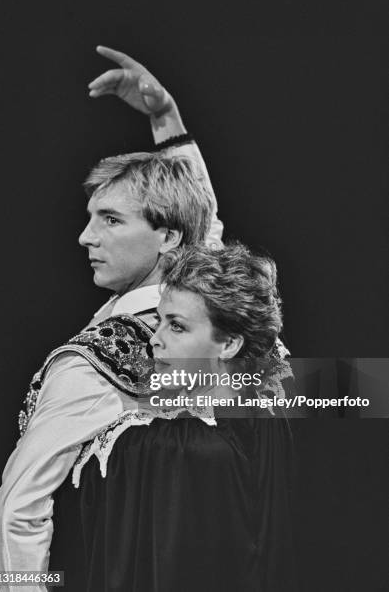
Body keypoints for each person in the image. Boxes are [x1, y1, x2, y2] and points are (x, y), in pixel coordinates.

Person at [0, 48, 223, 592]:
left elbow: (18, 511)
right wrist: (166, 118)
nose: (85, 238)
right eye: (91, 218)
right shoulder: (216, 306)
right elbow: (203, 223)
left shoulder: (91, 364)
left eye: (110, 220)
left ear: (167, 237)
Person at [69, 243, 295, 592]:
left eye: (177, 327)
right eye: (159, 321)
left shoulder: (173, 448)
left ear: (229, 344)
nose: (153, 341)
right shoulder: (264, 409)